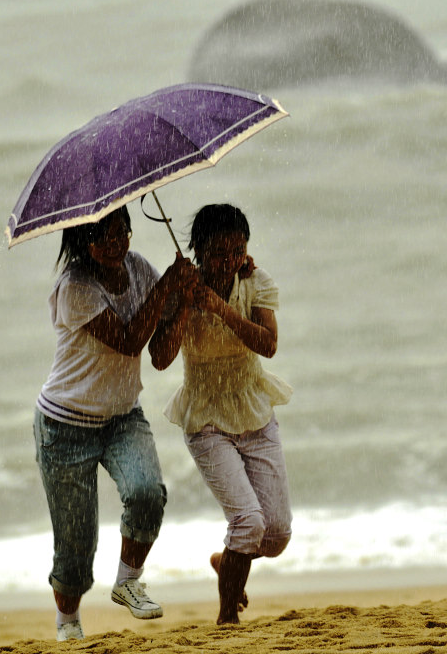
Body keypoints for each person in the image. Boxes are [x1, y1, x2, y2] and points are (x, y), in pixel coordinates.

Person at [32, 205, 196, 641]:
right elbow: (127, 341)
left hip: (123, 416)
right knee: (75, 544)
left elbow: (159, 355)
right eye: (101, 236)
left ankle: (128, 582)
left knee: (147, 493)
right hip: (64, 425)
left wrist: (182, 297)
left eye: (120, 230)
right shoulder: (75, 289)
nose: (114, 243)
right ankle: (68, 621)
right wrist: (167, 287)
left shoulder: (139, 267)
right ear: (81, 243)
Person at [150, 203, 293, 625]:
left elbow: (268, 345)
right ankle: (227, 616)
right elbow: (159, 358)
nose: (228, 260)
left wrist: (220, 307)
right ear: (197, 249)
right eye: (217, 252)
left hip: (254, 408)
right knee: (248, 523)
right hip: (206, 418)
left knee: (276, 534)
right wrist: (181, 304)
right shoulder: (180, 288)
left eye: (237, 250)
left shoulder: (255, 283)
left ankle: (227, 559)